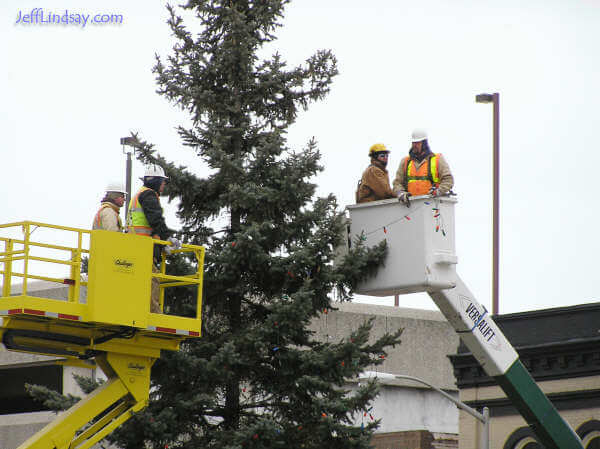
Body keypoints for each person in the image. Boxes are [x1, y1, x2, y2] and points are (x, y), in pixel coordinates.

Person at [128, 164, 180, 313]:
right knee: (152, 280)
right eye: (163, 182)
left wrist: (162, 244)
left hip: (135, 245)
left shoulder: (140, 194)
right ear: (156, 181)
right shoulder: (148, 195)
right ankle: (153, 313)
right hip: (142, 247)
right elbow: (155, 219)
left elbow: (149, 224)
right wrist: (168, 238)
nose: (164, 185)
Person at [392, 130, 454, 205]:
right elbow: (397, 183)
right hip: (410, 206)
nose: (414, 145)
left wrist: (438, 191)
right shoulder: (405, 161)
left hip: (432, 205)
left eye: (417, 143)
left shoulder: (437, 159)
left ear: (424, 144)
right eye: (413, 143)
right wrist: (400, 193)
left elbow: (448, 180)